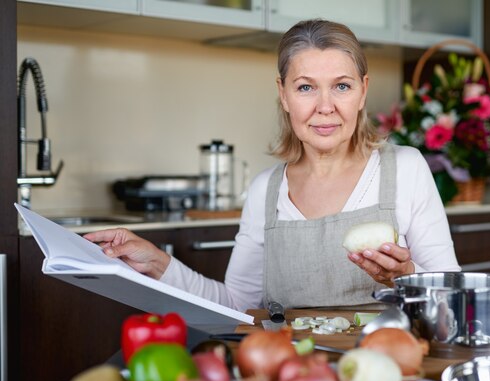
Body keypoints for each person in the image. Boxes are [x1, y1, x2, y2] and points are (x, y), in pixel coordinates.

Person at [84, 19, 460, 312]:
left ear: (363, 90)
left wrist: (407, 276)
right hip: (289, 379)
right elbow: (237, 306)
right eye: (306, 87)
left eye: (342, 86)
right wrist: (158, 264)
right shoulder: (266, 189)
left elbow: (453, 298)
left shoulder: (405, 169)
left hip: (383, 373)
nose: (325, 106)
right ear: (283, 94)